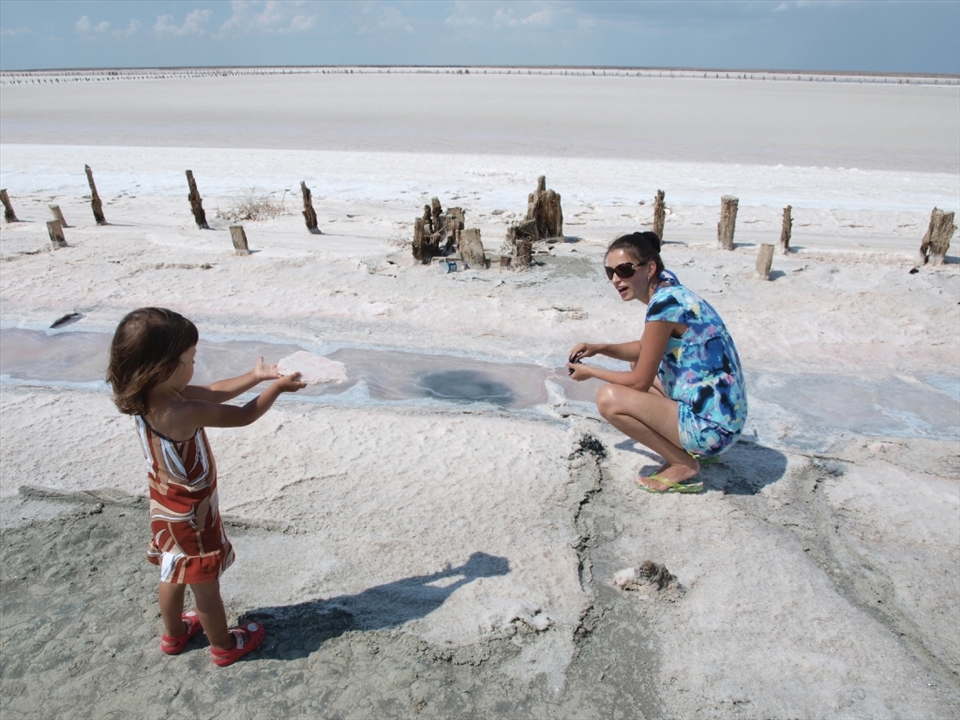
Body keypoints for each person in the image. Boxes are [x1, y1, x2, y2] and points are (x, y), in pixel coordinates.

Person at [106, 307, 306, 665]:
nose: (195, 364)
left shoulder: (148, 396)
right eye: (191, 359)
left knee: (172, 570)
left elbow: (214, 391)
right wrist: (276, 387)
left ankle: (174, 635)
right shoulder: (181, 411)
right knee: (205, 586)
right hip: (193, 517)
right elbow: (243, 415)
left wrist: (255, 376)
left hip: (165, 509)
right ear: (164, 367)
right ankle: (224, 645)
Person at [568, 232, 747, 493]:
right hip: (724, 417)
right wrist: (599, 348)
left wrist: (590, 372)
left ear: (649, 268)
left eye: (624, 270)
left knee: (608, 399)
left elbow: (639, 383)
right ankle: (690, 448)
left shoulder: (664, 306)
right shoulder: (670, 289)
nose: (616, 279)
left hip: (713, 431)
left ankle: (682, 463)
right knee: (637, 363)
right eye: (610, 272)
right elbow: (644, 349)